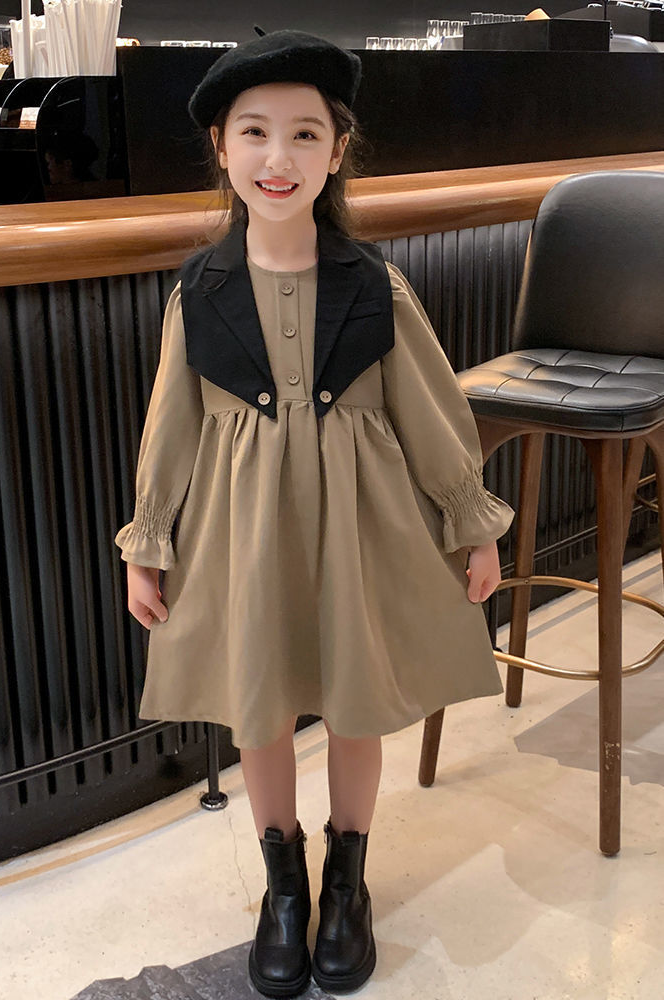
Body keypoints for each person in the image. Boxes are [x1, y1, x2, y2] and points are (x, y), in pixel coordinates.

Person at [115, 29, 514, 999]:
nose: (278, 156)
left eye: (305, 133)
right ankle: (283, 881)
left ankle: (347, 878)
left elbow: (429, 407)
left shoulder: (373, 284)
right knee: (258, 700)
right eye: (254, 131)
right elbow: (171, 424)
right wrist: (148, 541)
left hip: (359, 526)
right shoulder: (200, 290)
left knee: (355, 695)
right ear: (221, 148)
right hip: (242, 531)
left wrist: (469, 521)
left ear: (338, 151)